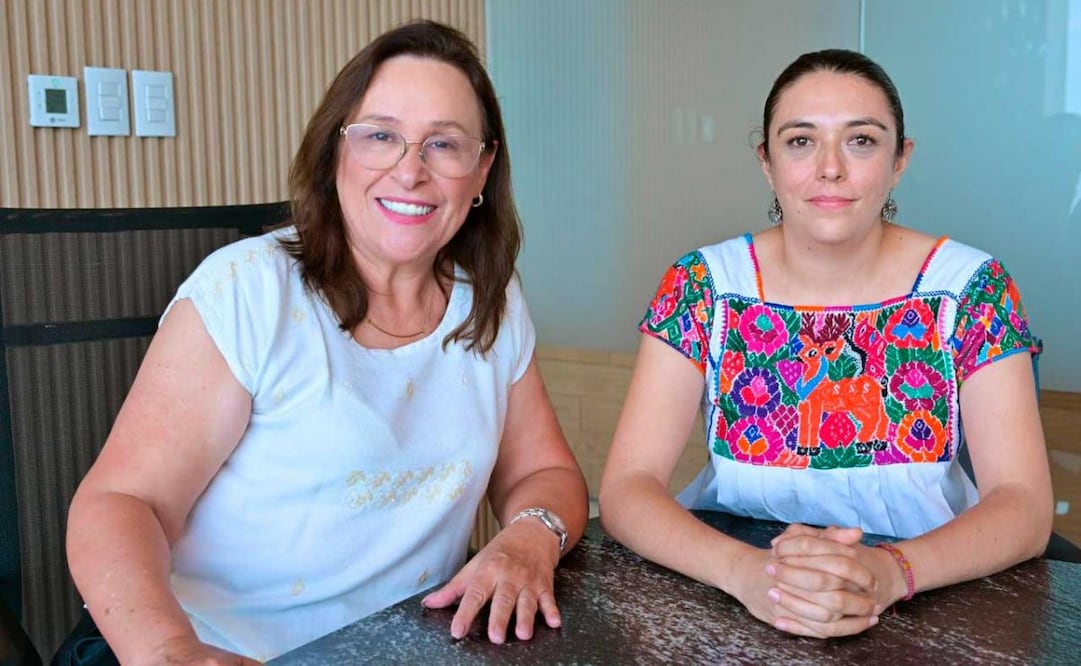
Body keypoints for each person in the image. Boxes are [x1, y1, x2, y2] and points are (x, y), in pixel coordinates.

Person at [66, 20, 588, 664]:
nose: (410, 171)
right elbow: (123, 502)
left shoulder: (490, 299)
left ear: (481, 171)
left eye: (444, 144)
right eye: (381, 136)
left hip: (411, 648)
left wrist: (532, 535)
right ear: (335, 153)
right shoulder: (247, 290)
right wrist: (171, 651)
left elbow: (542, 472)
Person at [599, 48, 1052, 639]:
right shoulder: (703, 285)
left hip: (930, 594)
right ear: (766, 161)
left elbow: (1023, 505)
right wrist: (747, 574)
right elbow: (628, 488)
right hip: (735, 588)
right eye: (800, 141)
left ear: (900, 159)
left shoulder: (972, 287)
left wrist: (888, 573)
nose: (830, 168)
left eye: (861, 140)